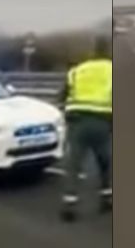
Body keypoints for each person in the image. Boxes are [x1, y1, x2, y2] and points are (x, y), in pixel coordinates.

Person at [59, 36, 112, 222]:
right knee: (106, 163)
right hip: (102, 123)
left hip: (77, 122)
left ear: (93, 52)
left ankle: (69, 205)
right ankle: (106, 198)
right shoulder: (112, 70)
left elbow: (62, 96)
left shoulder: (77, 71)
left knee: (74, 165)